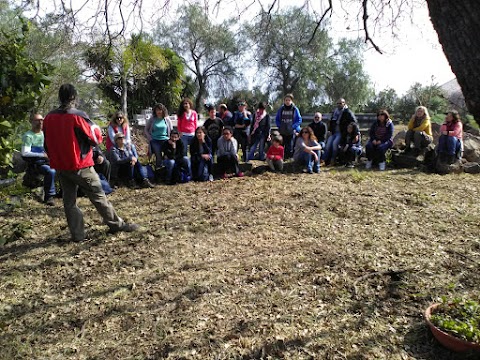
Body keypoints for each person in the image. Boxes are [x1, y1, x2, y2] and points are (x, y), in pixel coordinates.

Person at [43, 84, 139, 242]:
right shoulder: (77, 115)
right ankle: (116, 225)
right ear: (74, 97)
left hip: (60, 165)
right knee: (98, 196)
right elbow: (95, 138)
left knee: (69, 202)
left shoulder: (49, 117)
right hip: (80, 164)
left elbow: (46, 142)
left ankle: (78, 235)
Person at [21, 113, 56, 205]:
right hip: (36, 163)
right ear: (31, 122)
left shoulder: (45, 133)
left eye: (42, 120)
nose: (40, 122)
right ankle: (49, 197)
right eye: (37, 120)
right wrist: (41, 155)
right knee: (51, 171)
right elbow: (25, 153)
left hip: (48, 161)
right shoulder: (28, 136)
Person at [324, 98, 356, 166]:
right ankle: (324, 160)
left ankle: (333, 160)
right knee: (328, 144)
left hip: (342, 132)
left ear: (344, 103)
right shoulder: (334, 112)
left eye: (340, 103)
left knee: (335, 144)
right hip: (334, 132)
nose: (339, 105)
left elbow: (354, 122)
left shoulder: (348, 112)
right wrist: (329, 130)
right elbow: (330, 122)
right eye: (338, 103)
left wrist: (354, 132)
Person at [144, 103, 173, 169]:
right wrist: (150, 138)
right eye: (157, 110)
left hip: (165, 139)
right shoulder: (152, 119)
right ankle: (158, 170)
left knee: (167, 155)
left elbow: (171, 130)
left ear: (163, 111)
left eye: (160, 110)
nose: (159, 112)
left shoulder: (167, 119)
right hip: (155, 140)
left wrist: (171, 139)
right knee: (158, 155)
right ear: (155, 111)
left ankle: (167, 170)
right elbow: (146, 129)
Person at [275, 94, 302, 159]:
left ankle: (288, 158)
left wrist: (293, 127)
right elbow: (277, 119)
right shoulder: (281, 109)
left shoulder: (295, 109)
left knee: (290, 145)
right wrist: (279, 126)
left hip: (291, 130)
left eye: (289, 100)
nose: (287, 101)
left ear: (291, 101)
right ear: (284, 101)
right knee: (281, 144)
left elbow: (299, 119)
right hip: (283, 129)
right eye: (286, 100)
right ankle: (280, 158)